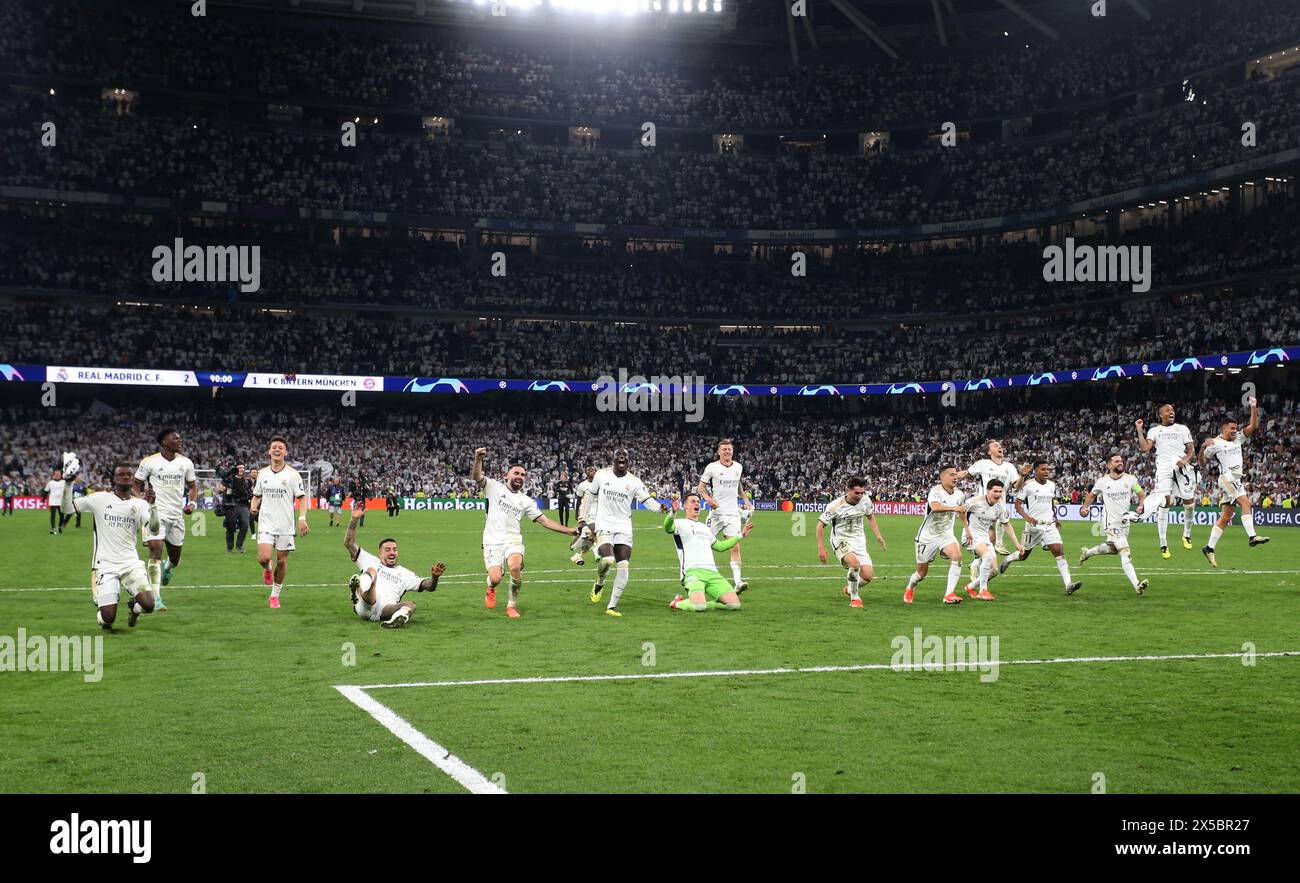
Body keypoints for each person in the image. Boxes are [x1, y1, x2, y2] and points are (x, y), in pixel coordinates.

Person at [74, 462, 157, 630]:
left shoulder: (140, 504)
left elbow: (154, 529)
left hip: (130, 564)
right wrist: (68, 483)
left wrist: (152, 506)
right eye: (121, 474)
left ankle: (135, 608)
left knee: (149, 605)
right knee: (108, 619)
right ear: (113, 479)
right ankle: (104, 611)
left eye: (129, 474)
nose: (126, 476)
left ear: (133, 479)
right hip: (106, 566)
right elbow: (68, 507)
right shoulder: (99, 499)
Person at [588, 448, 668, 617]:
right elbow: (591, 497)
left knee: (623, 566)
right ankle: (599, 582)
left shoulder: (634, 481)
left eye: (625, 456)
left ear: (629, 461)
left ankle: (611, 606)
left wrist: (660, 507)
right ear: (613, 458)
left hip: (624, 527)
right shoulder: (601, 475)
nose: (621, 458)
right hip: (604, 524)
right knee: (608, 560)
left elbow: (646, 500)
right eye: (618, 455)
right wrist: (588, 520)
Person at [343, 501, 445, 628]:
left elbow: (428, 586)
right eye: (387, 550)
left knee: (411, 605)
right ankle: (358, 588)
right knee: (372, 570)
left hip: (385, 611)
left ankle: (396, 620)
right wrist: (353, 520)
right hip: (366, 603)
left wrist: (435, 578)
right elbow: (349, 543)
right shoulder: (370, 560)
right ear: (380, 554)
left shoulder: (405, 573)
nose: (392, 552)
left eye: (394, 549)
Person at [1200, 395, 1270, 565]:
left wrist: (1253, 407)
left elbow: (1253, 426)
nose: (1234, 431)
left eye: (1235, 428)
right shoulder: (1214, 443)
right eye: (1231, 428)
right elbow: (1202, 462)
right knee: (1246, 504)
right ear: (1223, 428)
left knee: (1226, 515)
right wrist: (1202, 447)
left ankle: (1209, 548)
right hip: (1227, 478)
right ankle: (1252, 537)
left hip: (1235, 479)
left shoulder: (1238, 437)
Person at [134, 428, 198, 610]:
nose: (180, 440)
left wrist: (192, 503)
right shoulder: (149, 462)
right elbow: (135, 484)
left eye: (180, 437)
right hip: (154, 513)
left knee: (175, 557)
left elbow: (193, 486)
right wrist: (140, 499)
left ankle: (168, 567)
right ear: (164, 442)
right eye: (175, 438)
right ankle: (156, 598)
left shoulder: (186, 463)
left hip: (176, 515)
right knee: (155, 550)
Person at [1003, 460, 1082, 595]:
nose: (1046, 472)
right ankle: (1009, 559)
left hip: (1049, 524)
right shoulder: (1028, 485)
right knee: (1023, 555)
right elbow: (1017, 504)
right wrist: (1027, 518)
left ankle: (1068, 584)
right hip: (1033, 526)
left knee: (1059, 552)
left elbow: (1051, 503)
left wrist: (1056, 519)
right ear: (1035, 471)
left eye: (1048, 469)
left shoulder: (1052, 485)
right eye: (1043, 469)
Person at [666, 494, 753, 612]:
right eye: (693, 501)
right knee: (699, 607)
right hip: (693, 573)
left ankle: (703, 603)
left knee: (734, 604)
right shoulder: (679, 523)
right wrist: (673, 512)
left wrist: (740, 535)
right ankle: (677, 603)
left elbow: (720, 546)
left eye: (698, 501)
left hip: (712, 574)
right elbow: (668, 527)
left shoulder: (704, 527)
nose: (697, 503)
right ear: (685, 506)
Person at [250, 436, 309, 609]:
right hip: (266, 523)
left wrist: (302, 518)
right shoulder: (262, 473)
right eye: (274, 447)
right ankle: (268, 568)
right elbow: (256, 495)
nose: (277, 449)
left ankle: (274, 595)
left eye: (280, 447)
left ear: (285, 452)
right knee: (264, 558)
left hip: (285, 525)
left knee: (282, 562)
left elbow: (302, 499)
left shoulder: (293, 475)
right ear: (269, 451)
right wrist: (253, 506)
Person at [1077, 454, 1149, 594]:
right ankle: (1137, 584)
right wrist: (1085, 507)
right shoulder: (1102, 482)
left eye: (1122, 461)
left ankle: (1088, 553)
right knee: (1125, 551)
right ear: (1109, 465)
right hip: (1111, 523)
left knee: (1113, 550)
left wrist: (1140, 506)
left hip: (1125, 522)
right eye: (1117, 461)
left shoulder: (1130, 479)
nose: (1120, 463)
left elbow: (1141, 494)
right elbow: (1092, 495)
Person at [1135, 403, 1198, 558]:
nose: (1171, 412)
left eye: (1172, 410)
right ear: (1160, 415)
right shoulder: (1154, 430)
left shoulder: (1182, 429)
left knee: (1189, 501)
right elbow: (1144, 448)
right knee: (1166, 501)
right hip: (1163, 468)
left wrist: (1184, 460)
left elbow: (1191, 450)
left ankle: (1186, 534)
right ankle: (1163, 544)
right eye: (1167, 410)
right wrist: (1139, 430)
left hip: (1181, 466)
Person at [816, 476, 886, 609]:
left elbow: (870, 517)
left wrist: (878, 536)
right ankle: (855, 597)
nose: (860, 496)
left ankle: (849, 588)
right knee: (854, 564)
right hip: (840, 540)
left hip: (859, 541)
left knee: (867, 576)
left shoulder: (865, 501)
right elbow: (820, 525)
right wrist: (821, 548)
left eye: (862, 493)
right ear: (848, 490)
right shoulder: (835, 506)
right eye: (856, 493)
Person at [698, 438, 755, 593]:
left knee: (735, 546)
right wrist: (709, 499)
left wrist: (745, 500)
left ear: (732, 451)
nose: (727, 452)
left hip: (733, 513)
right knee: (704, 543)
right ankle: (702, 575)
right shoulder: (712, 467)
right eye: (724, 449)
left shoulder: (738, 467)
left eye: (729, 449)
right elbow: (700, 488)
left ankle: (737, 582)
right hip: (716, 513)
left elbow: (738, 485)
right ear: (719, 452)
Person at [904, 465, 966, 605]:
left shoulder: (960, 494)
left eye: (956, 474)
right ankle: (910, 587)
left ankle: (949, 594)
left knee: (957, 556)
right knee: (921, 573)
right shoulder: (935, 491)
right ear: (942, 477)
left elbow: (961, 512)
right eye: (951, 474)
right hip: (928, 536)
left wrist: (967, 530)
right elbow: (935, 507)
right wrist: (953, 508)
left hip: (946, 534)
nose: (955, 477)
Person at [224, 464, 253, 553]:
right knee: (230, 527)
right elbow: (220, 489)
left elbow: (250, 491)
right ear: (236, 469)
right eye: (239, 468)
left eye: (243, 468)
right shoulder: (230, 479)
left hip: (244, 505)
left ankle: (239, 545)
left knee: (245, 524)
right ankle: (229, 547)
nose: (241, 469)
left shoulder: (247, 481)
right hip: (232, 505)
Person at [43, 468, 66, 535]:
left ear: (61, 475)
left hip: (61, 501)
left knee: (61, 515)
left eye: (58, 474)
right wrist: (43, 499)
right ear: (54, 475)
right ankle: (53, 528)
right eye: (56, 474)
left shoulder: (64, 482)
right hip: (52, 501)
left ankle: (60, 526)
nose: (57, 475)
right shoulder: (50, 483)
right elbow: (46, 491)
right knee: (53, 515)